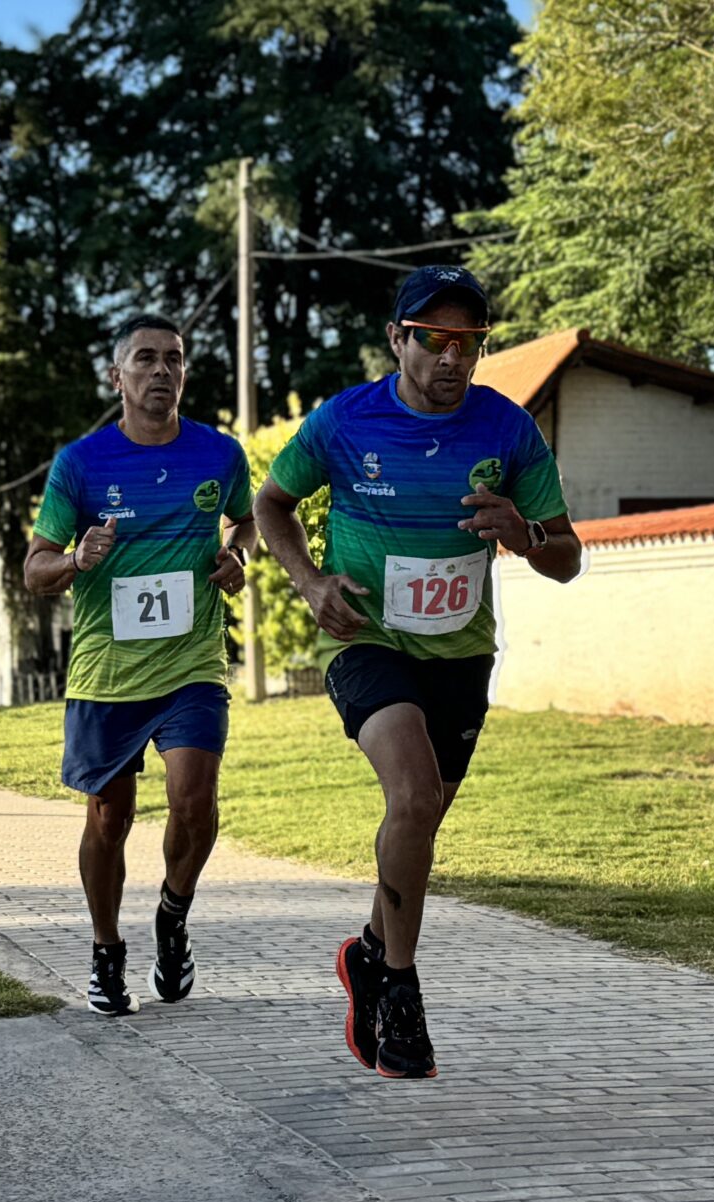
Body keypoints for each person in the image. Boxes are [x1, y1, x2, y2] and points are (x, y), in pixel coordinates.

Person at [252, 265, 581, 1080]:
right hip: (365, 639)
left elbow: (567, 557)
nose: (452, 357)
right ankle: (399, 986)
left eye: (468, 342)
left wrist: (525, 532)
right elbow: (271, 505)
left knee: (421, 824)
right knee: (414, 794)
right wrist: (311, 582)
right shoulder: (345, 422)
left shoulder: (508, 432)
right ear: (397, 340)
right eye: (433, 339)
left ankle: (369, 951)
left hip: (461, 653)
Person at [25, 314, 253, 1017]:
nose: (162, 371)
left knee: (194, 798)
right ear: (116, 376)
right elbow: (35, 570)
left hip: (191, 664)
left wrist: (238, 554)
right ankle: (105, 950)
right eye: (146, 359)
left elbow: (246, 522)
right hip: (108, 672)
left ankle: (173, 916)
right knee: (107, 818)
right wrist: (74, 559)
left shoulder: (220, 454)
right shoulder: (81, 463)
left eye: (175, 360)